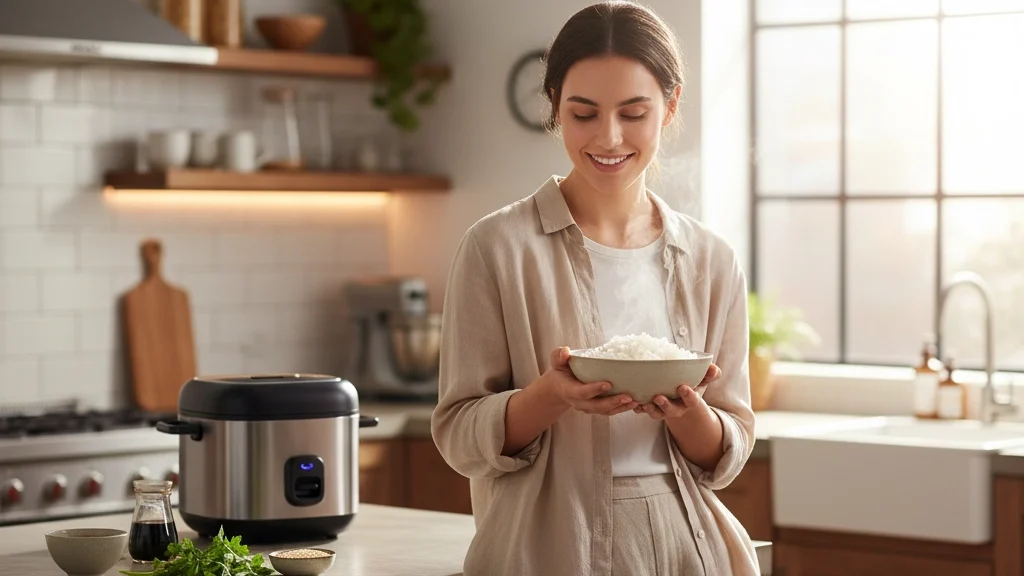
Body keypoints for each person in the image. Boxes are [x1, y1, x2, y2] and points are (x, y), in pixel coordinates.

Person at [430, 2, 759, 575]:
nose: (609, 137)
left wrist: (686, 412)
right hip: (546, 544)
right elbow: (459, 434)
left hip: (686, 547)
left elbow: (728, 452)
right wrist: (552, 395)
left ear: (670, 106)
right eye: (583, 114)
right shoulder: (496, 247)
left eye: (634, 113)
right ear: (555, 107)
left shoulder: (712, 260)